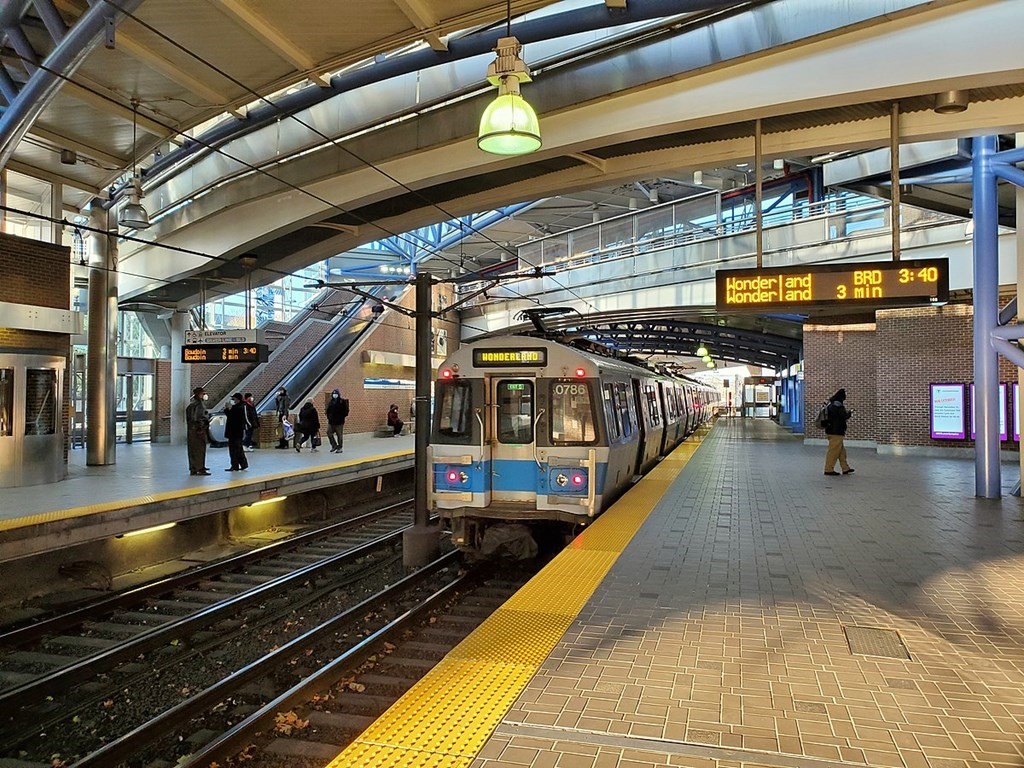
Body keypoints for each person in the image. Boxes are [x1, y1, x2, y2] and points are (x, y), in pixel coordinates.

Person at [823, 388, 854, 476]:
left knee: (841, 451)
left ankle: (845, 468)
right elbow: (843, 416)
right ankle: (828, 469)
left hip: (830, 430)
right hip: (837, 432)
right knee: (833, 451)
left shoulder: (830, 404)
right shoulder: (838, 406)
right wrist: (850, 413)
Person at [185, 387, 211, 476]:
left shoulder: (191, 405)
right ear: (199, 394)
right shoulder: (199, 405)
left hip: (191, 430)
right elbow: (198, 418)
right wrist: (201, 427)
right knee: (200, 449)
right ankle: (200, 468)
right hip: (198, 430)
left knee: (192, 450)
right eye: (203, 394)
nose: (204, 395)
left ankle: (193, 468)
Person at [224, 392, 250, 472]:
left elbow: (232, 416)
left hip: (235, 431)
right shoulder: (239, 407)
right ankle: (243, 464)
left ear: (237, 399)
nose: (233, 400)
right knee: (238, 449)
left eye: (234, 399)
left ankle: (235, 465)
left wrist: (228, 409)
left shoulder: (239, 408)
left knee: (234, 449)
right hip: (237, 432)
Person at [325, 389, 348, 453]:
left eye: (336, 394)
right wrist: (329, 417)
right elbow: (328, 411)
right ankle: (334, 445)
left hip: (339, 422)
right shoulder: (331, 402)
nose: (335, 395)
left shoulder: (342, 402)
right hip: (331, 422)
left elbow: (346, 411)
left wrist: (341, 417)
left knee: (339, 435)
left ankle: (340, 448)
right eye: (334, 394)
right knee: (329, 432)